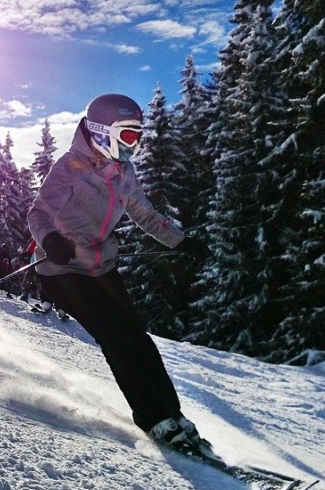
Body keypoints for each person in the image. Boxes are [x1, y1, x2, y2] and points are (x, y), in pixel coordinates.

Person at [27, 93, 208, 452]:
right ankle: (153, 419)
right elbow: (38, 213)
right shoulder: (68, 167)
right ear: (100, 131)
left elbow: (144, 215)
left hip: (100, 266)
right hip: (62, 268)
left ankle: (174, 415)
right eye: (127, 136)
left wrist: (180, 241)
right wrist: (50, 239)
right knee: (116, 337)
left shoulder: (124, 172)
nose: (134, 145)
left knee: (138, 338)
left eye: (138, 136)